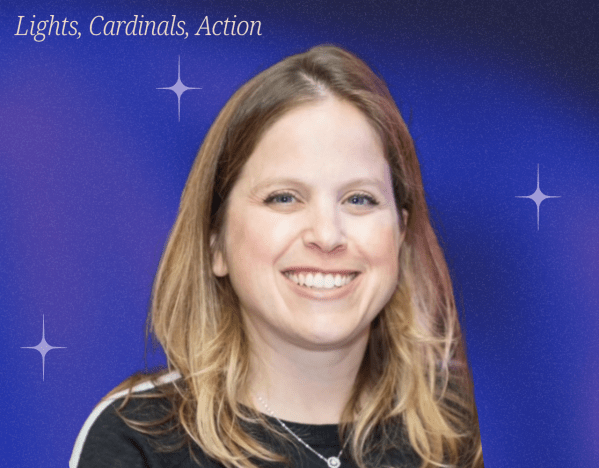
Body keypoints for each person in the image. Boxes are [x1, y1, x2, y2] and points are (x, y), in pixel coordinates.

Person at [70, 45, 483, 468]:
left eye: (360, 199)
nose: (327, 235)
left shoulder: (449, 434)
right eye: (284, 197)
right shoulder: (136, 440)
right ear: (216, 243)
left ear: (399, 236)